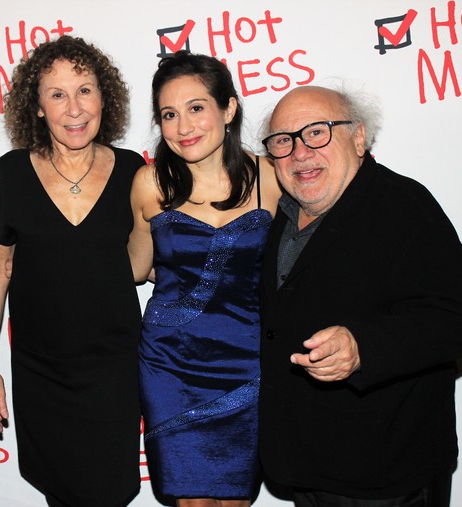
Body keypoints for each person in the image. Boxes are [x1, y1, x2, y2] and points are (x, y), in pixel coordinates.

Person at [258, 85, 462, 507]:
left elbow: (455, 321)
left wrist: (363, 346)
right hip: (305, 463)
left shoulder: (403, 206)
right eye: (283, 141)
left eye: (318, 132)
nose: (300, 152)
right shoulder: (279, 215)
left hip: (384, 472)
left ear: (358, 137)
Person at [0, 35, 144, 507]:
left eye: (85, 90)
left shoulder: (134, 172)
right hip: (40, 372)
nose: (74, 108)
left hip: (114, 370)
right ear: (37, 107)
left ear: (104, 97)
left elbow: (140, 265)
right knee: (61, 493)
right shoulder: (11, 174)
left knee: (108, 491)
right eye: (57, 94)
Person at [129, 51, 282, 507]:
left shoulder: (271, 176)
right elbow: (135, 267)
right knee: (189, 500)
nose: (183, 127)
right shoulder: (149, 183)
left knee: (236, 499)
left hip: (249, 358)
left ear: (228, 109)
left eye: (197, 108)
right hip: (170, 362)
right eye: (169, 115)